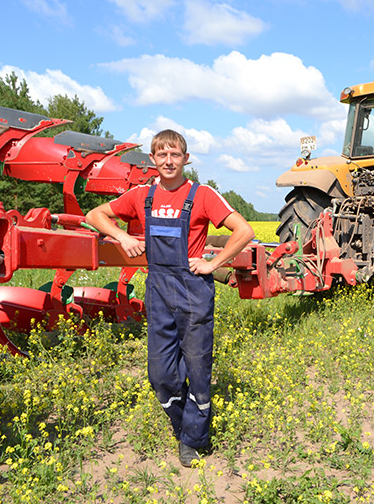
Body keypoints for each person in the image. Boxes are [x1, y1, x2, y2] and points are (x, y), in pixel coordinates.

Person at [86, 129, 254, 467]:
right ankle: (183, 424)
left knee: (197, 366)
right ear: (152, 160)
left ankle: (193, 439)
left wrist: (213, 263)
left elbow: (244, 231)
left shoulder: (202, 195)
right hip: (159, 289)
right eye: (161, 154)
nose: (168, 161)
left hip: (193, 289)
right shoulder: (141, 196)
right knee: (160, 374)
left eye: (175, 154)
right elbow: (94, 215)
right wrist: (121, 236)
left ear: (185, 159)